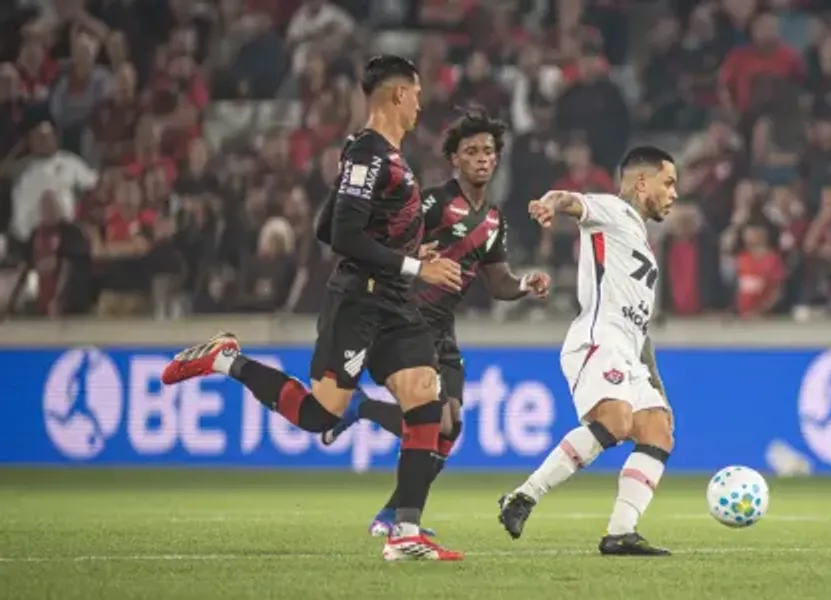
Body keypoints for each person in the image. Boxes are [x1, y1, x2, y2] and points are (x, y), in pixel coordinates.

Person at [159, 56, 465, 562]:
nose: (420, 102)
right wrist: (416, 266)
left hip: (393, 299)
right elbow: (341, 235)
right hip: (359, 300)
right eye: (415, 92)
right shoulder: (370, 154)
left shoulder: (379, 154)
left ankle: (405, 533)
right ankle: (226, 360)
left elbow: (327, 225)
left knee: (424, 394)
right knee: (319, 413)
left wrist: (408, 251)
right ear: (397, 94)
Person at [322, 109, 552, 536]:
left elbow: (498, 282)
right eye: (471, 151)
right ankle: (365, 418)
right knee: (437, 421)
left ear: (497, 159)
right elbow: (387, 241)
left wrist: (524, 284)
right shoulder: (433, 203)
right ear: (455, 159)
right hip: (409, 315)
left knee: (452, 426)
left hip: (443, 325)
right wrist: (414, 257)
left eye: (488, 151)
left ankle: (392, 512)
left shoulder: (494, 220)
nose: (481, 158)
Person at [497, 147, 678, 556]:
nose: (674, 193)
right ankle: (523, 496)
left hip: (628, 350)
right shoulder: (613, 211)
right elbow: (570, 200)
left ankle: (621, 533)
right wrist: (550, 204)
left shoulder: (641, 245)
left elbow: (642, 331)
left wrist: (656, 385)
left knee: (658, 430)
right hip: (598, 339)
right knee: (616, 422)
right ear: (642, 183)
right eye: (668, 183)